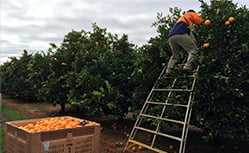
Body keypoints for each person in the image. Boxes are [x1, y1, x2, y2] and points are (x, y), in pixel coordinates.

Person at [165, 9, 203, 77]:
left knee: (175, 54)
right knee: (193, 49)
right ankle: (187, 67)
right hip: (180, 34)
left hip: (171, 36)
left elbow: (190, 33)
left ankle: (168, 71)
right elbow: (200, 21)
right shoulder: (191, 14)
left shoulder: (181, 19)